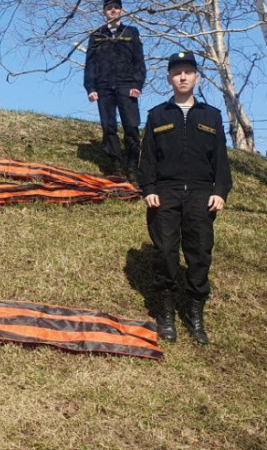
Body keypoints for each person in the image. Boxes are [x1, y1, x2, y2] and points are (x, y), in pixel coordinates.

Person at [139, 51, 233, 345]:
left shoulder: (211, 116)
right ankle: (165, 313)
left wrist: (220, 192)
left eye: (187, 72)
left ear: (196, 77)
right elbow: (148, 159)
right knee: (166, 251)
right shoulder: (157, 115)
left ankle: (194, 312)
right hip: (164, 193)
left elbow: (220, 160)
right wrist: (149, 188)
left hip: (201, 193)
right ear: (169, 78)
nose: (182, 77)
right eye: (177, 72)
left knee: (200, 252)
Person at [84, 0, 146, 181]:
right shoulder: (96, 35)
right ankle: (116, 167)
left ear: (121, 10)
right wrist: (90, 87)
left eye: (116, 8)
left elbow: (139, 62)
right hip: (104, 86)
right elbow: (90, 64)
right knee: (109, 127)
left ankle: (133, 165)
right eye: (109, 8)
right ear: (104, 12)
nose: (113, 11)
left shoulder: (131, 33)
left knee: (132, 126)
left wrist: (137, 85)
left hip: (127, 85)